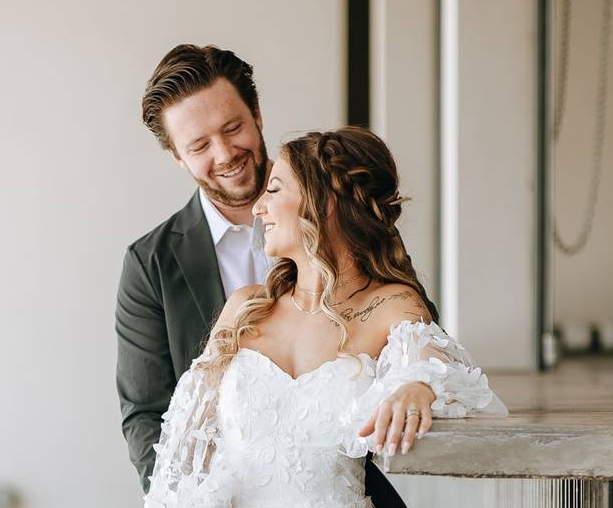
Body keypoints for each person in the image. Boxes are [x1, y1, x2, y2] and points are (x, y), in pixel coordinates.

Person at [143, 126, 507, 508]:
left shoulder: (390, 304)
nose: (257, 207)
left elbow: (435, 362)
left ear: (325, 201)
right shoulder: (244, 308)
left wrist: (417, 385)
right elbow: (182, 460)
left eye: (275, 189)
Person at [116, 46, 408, 506]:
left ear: (257, 114)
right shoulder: (149, 263)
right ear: (177, 157)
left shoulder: (337, 210)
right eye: (199, 146)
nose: (226, 153)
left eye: (233, 128)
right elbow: (146, 415)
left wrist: (416, 384)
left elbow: (413, 327)